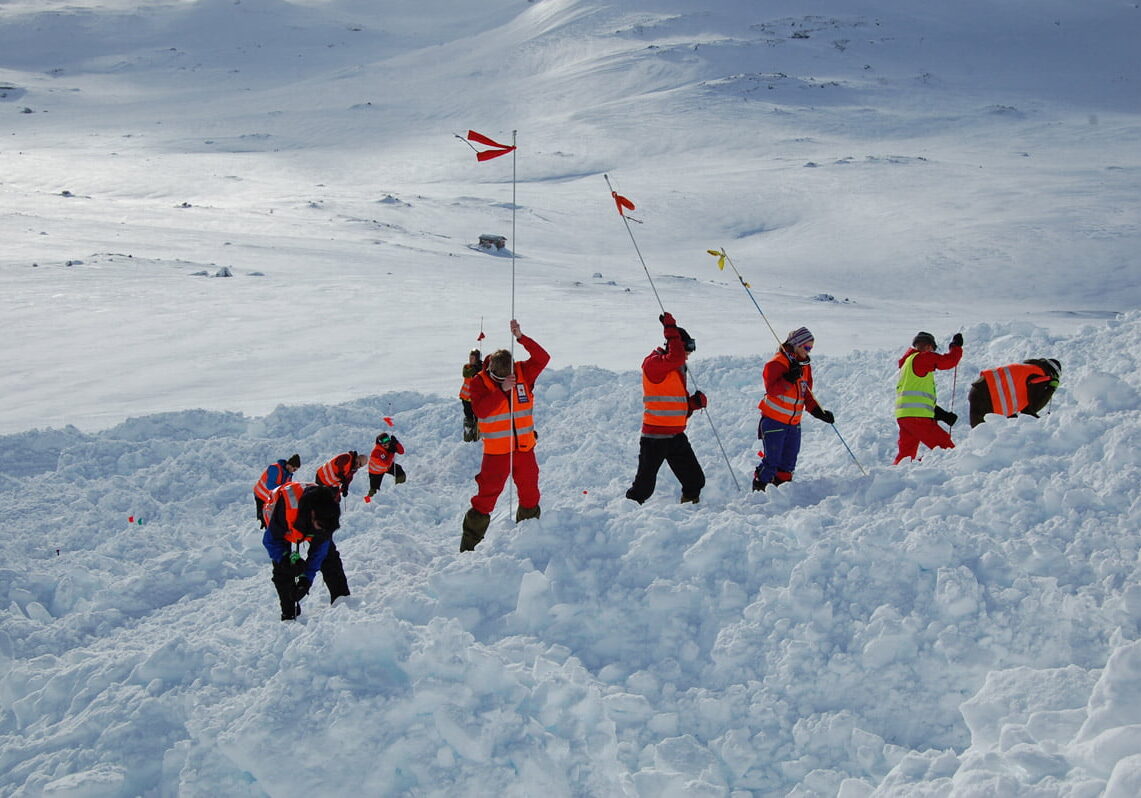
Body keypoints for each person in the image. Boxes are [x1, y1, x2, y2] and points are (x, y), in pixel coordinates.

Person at [461, 319, 550, 552]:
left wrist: (521, 337)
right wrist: (501, 391)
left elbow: (543, 358)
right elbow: (480, 410)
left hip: (524, 449)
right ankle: (469, 545)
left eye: (507, 377)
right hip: (496, 453)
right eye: (499, 378)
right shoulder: (479, 382)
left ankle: (528, 537)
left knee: (530, 493)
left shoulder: (522, 371)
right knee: (485, 499)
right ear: (491, 371)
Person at [626, 312, 707, 504]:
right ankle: (626, 514)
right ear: (673, 346)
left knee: (695, 480)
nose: (686, 356)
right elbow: (676, 357)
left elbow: (675, 406)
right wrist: (671, 330)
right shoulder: (653, 364)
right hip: (654, 438)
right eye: (686, 351)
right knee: (643, 488)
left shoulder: (674, 368)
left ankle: (690, 508)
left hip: (675, 435)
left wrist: (694, 404)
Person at [751, 327, 835, 491]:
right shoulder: (776, 363)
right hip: (774, 422)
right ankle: (758, 490)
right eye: (807, 347)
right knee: (772, 461)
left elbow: (807, 394)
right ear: (796, 345)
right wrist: (788, 378)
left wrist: (818, 412)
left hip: (794, 423)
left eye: (811, 348)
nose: (809, 351)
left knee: (788, 462)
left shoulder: (805, 366)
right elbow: (772, 390)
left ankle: (782, 491)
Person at [261, 481, 343, 620]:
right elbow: (270, 541)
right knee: (283, 570)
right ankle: (289, 614)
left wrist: (306, 579)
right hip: (280, 522)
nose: (323, 530)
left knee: (330, 556)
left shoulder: (327, 516)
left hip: (304, 521)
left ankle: (343, 601)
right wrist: (286, 558)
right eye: (320, 526)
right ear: (312, 514)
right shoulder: (285, 509)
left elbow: (319, 553)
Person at [894, 330, 964, 464]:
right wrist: (955, 347)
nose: (932, 352)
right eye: (933, 349)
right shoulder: (922, 358)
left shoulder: (907, 364)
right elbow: (948, 361)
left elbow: (916, 398)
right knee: (946, 450)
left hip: (905, 417)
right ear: (928, 346)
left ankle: (894, 477)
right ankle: (927, 467)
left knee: (906, 456)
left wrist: (941, 414)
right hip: (917, 418)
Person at [968, 358, 1061, 428]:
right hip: (988, 396)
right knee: (985, 438)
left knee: (982, 433)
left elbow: (1025, 409)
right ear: (1053, 374)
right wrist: (1051, 388)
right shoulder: (1041, 375)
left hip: (980, 389)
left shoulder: (1029, 369)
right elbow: (1033, 407)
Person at [253, 454, 300, 528]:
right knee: (263, 519)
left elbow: (286, 487)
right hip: (261, 496)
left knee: (271, 519)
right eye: (294, 469)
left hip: (270, 498)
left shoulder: (289, 475)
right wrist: (283, 489)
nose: (294, 471)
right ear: (289, 465)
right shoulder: (275, 468)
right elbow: (270, 485)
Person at [366, 432, 406, 498]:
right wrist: (391, 452)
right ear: (380, 444)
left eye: (389, 443)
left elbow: (401, 452)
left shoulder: (390, 446)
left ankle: (399, 490)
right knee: (374, 490)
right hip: (376, 472)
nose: (387, 445)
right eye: (385, 445)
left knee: (399, 471)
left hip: (387, 467)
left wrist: (396, 443)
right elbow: (386, 463)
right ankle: (368, 501)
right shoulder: (376, 452)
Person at [460, 349, 483, 442]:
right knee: (468, 418)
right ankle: (468, 436)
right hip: (466, 398)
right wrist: (475, 369)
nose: (470, 359)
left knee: (478, 417)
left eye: (472, 358)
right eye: (470, 357)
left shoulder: (482, 368)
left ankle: (477, 435)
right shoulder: (467, 367)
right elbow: (466, 373)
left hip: (476, 399)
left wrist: (480, 368)